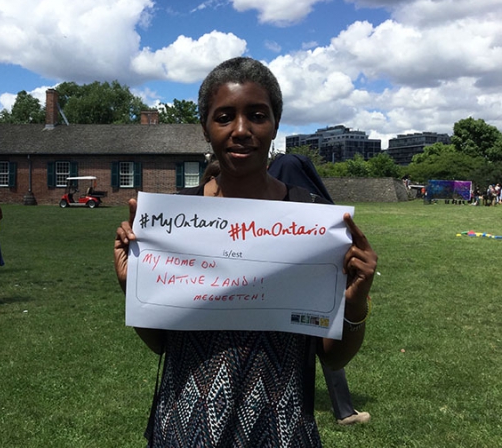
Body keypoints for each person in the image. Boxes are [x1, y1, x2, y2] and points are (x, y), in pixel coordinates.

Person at [114, 57, 377, 446]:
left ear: (275, 124)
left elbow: (333, 358)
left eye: (257, 115)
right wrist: (133, 285)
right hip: (187, 428)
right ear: (205, 127)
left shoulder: (314, 219)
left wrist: (355, 305)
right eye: (224, 117)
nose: (241, 130)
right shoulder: (174, 219)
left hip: (281, 429)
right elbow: (163, 345)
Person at [268, 153, 371, 426]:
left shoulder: (268, 205)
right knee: (324, 335)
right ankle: (344, 410)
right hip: (313, 290)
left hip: (279, 292)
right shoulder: (315, 208)